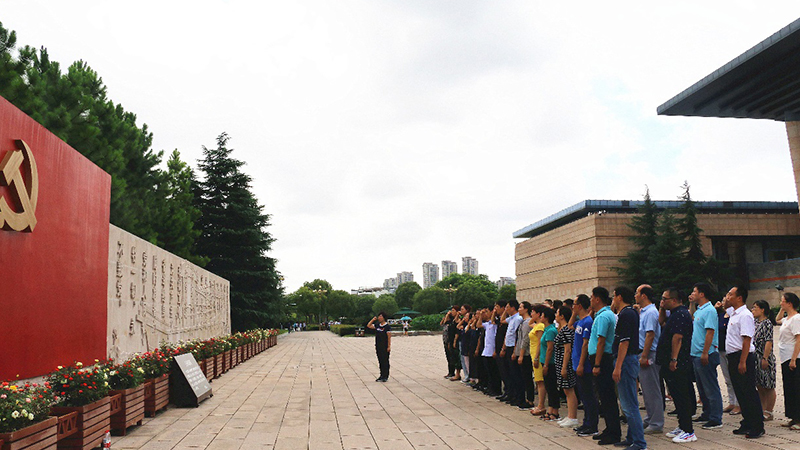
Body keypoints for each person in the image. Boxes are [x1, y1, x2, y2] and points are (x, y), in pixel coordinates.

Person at [657, 287, 696, 443]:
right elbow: (661, 322)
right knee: (676, 395)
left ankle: (688, 431)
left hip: (678, 363)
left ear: (674, 300)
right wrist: (661, 307)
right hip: (670, 362)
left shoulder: (681, 314)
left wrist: (674, 359)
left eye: (664, 299)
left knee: (681, 396)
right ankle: (682, 425)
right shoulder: (674, 314)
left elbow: (677, 338)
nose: (662, 301)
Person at [725, 285, 764, 439]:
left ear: (739, 297)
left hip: (743, 356)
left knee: (748, 392)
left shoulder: (745, 315)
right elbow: (724, 305)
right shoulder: (733, 314)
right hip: (733, 357)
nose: (727, 296)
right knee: (740, 392)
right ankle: (747, 422)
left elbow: (747, 339)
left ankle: (757, 426)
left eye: (730, 294)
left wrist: (742, 362)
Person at [611, 287, 645, 450]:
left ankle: (639, 442)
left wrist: (617, 367)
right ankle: (632, 437)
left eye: (614, 296)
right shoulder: (630, 312)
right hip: (628, 360)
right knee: (629, 402)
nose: (613, 299)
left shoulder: (626, 314)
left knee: (629, 404)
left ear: (619, 297)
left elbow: (624, 342)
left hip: (625, 361)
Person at [588, 287, 621, 445]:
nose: (590, 300)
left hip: (602, 359)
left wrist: (596, 364)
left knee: (607, 397)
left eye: (592, 297)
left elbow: (601, 341)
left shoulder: (603, 317)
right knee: (606, 396)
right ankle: (609, 428)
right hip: (604, 357)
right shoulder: (607, 314)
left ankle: (613, 432)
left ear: (597, 299)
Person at [689, 282, 723, 429]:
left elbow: (710, 332)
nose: (693, 293)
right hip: (695, 354)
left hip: (706, 354)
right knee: (702, 387)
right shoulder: (700, 309)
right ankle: (707, 413)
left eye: (694, 291)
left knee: (710, 387)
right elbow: (692, 317)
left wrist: (705, 352)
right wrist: (691, 303)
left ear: (702, 294)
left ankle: (716, 418)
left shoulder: (709, 310)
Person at [635, 285, 663, 434]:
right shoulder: (644, 312)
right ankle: (650, 418)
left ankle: (657, 423)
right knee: (646, 389)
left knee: (652, 389)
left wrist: (644, 355)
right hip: (643, 352)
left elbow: (650, 335)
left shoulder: (651, 312)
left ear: (644, 296)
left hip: (649, 353)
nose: (635, 296)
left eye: (637, 293)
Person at [573, 294, 599, 437]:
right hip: (576, 363)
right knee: (583, 395)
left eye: (574, 304)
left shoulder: (588, 322)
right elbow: (571, 325)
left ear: (580, 305)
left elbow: (585, 344)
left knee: (589, 396)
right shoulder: (580, 321)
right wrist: (574, 313)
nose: (572, 307)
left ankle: (592, 425)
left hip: (584, 365)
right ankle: (586, 422)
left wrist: (582, 364)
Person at [554, 305, 579, 429]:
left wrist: (564, 367)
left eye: (557, 312)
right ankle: (570, 415)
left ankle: (572, 417)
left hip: (566, 364)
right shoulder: (562, 329)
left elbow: (567, 350)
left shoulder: (566, 331)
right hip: (560, 363)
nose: (556, 315)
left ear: (562, 315)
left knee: (569, 389)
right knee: (566, 389)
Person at [751, 300, 776, 422]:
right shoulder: (754, 322)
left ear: (762, 310)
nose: (753, 310)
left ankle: (769, 411)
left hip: (764, 357)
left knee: (768, 385)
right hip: (755, 357)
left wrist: (765, 358)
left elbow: (768, 341)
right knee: (760, 385)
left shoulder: (767, 323)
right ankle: (761, 409)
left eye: (755, 307)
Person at [778, 292, 800, 429]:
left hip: (794, 358)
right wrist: (782, 308)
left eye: (782, 301)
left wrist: (793, 359)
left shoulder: (797, 318)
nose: (781, 303)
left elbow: (799, 339)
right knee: (789, 388)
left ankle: (799, 419)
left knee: (796, 388)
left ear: (789, 303)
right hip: (784, 357)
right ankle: (792, 416)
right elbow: (777, 319)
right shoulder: (787, 318)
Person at [501, 300, 524, 406]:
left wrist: (515, 351)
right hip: (508, 346)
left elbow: (516, 336)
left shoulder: (518, 318)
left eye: (508, 307)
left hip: (514, 347)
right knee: (510, 373)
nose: (506, 308)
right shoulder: (511, 318)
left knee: (516, 374)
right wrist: (504, 348)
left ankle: (518, 396)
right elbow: (502, 321)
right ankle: (512, 395)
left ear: (513, 307)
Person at [539, 307, 559, 421]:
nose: (540, 317)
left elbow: (550, 349)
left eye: (542, 315)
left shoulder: (551, 330)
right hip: (544, 361)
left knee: (552, 387)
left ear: (546, 317)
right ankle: (550, 409)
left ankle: (554, 411)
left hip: (550, 363)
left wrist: (546, 364)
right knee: (548, 386)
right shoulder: (547, 329)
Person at [514, 301, 535, 409]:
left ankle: (530, 399)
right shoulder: (523, 322)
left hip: (526, 354)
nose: (519, 309)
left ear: (526, 309)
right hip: (519, 352)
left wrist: (521, 355)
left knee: (527, 377)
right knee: (522, 377)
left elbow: (525, 340)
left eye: (521, 307)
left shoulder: (527, 323)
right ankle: (523, 398)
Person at [530, 304, 547, 416]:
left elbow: (541, 342)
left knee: (540, 382)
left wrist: (537, 357)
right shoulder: (536, 325)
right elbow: (529, 323)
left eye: (533, 312)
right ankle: (540, 405)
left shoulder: (540, 326)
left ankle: (541, 405)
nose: (531, 314)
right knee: (538, 380)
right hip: (533, 355)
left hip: (538, 356)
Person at [367, 312, 391, 382]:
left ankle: (385, 376)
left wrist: (389, 346)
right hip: (378, 346)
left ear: (384, 317)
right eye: (379, 316)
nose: (379, 317)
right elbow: (369, 325)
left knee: (385, 361)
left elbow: (389, 337)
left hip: (385, 346)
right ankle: (381, 375)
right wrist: (373, 320)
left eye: (381, 316)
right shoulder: (377, 325)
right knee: (380, 361)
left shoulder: (387, 327)